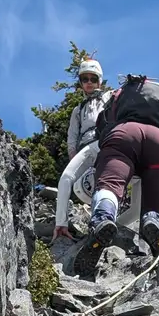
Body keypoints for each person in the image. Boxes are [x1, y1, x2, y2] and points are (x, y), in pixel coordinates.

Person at [88, 75, 159, 255]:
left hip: (124, 134)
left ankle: (103, 216)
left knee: (110, 185)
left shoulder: (121, 95)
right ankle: (155, 220)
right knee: (158, 205)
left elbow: (104, 122)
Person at [53, 60, 114, 242]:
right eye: (84, 79)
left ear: (99, 81)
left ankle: (103, 224)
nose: (89, 82)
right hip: (87, 148)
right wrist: (74, 159)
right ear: (80, 82)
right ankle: (61, 224)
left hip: (106, 143)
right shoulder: (78, 110)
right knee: (67, 179)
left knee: (103, 186)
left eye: (93, 79)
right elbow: (72, 137)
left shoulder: (109, 97)